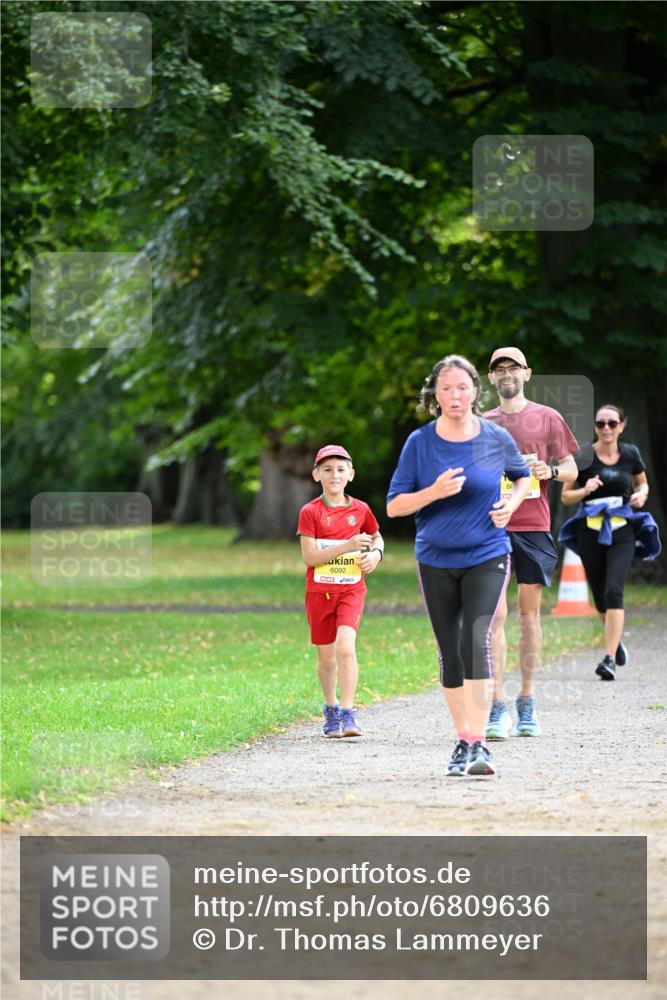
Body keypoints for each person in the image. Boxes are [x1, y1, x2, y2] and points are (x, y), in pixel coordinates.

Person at [386, 355, 531, 777]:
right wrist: (431, 492)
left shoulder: (495, 437)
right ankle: (463, 739)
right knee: (451, 652)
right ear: (434, 394)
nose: (455, 395)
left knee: (476, 638)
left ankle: (480, 744)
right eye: (446, 388)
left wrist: (512, 503)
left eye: (462, 387)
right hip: (434, 558)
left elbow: (521, 476)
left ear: (475, 391)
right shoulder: (420, 443)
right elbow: (395, 506)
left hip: (487, 552)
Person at [483, 347, 579, 740]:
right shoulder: (482, 423)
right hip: (492, 528)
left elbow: (572, 469)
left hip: (534, 527)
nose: (507, 374)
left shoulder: (548, 417)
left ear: (527, 373)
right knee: (495, 617)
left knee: (528, 617)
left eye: (513, 368)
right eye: (499, 369)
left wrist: (550, 469)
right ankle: (495, 707)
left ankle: (527, 702)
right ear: (491, 378)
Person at [558, 404, 660, 680]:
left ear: (621, 426)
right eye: (600, 423)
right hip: (590, 530)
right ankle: (615, 642)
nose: (606, 428)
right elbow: (566, 497)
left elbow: (643, 484)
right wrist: (585, 489)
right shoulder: (583, 456)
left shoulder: (631, 454)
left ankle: (609, 658)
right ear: (594, 426)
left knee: (614, 590)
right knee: (600, 595)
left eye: (612, 423)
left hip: (621, 530)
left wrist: (640, 495)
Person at [297, 444, 384, 738]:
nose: (334, 475)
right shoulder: (310, 512)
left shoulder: (360, 509)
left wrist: (376, 554)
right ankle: (331, 708)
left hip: (351, 590)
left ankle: (349, 713)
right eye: (327, 469)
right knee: (327, 658)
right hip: (319, 592)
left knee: (345, 647)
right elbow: (310, 557)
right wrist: (346, 546)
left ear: (351, 474)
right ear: (316, 474)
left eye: (341, 469)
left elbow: (376, 536)